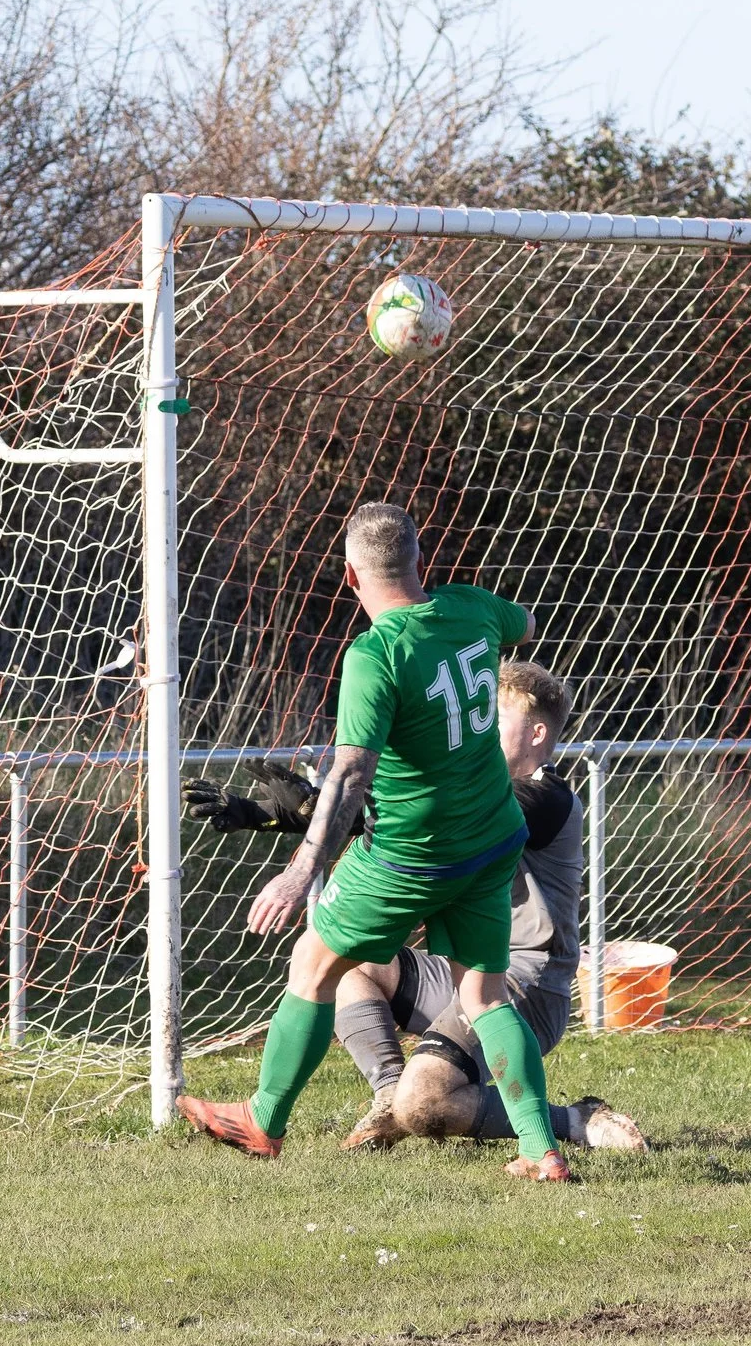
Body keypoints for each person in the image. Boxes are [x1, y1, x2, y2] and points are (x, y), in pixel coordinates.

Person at [174, 503, 569, 1181]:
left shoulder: (375, 653)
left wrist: (302, 870)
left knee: (313, 962)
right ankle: (541, 1151)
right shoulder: (472, 609)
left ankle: (264, 1121)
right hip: (490, 839)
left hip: (413, 851)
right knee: (484, 995)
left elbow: (353, 771)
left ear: (350, 578)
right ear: (422, 563)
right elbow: (524, 623)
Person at [186, 660, 646, 1152]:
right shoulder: (474, 792)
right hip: (457, 973)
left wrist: (313, 807)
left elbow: (425, 819)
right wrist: (268, 814)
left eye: (494, 718)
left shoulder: (547, 798)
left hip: (526, 983)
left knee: (426, 1105)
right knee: (347, 964)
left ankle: (575, 1121)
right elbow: (407, 818)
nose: (478, 729)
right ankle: (388, 1095)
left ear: (536, 732)